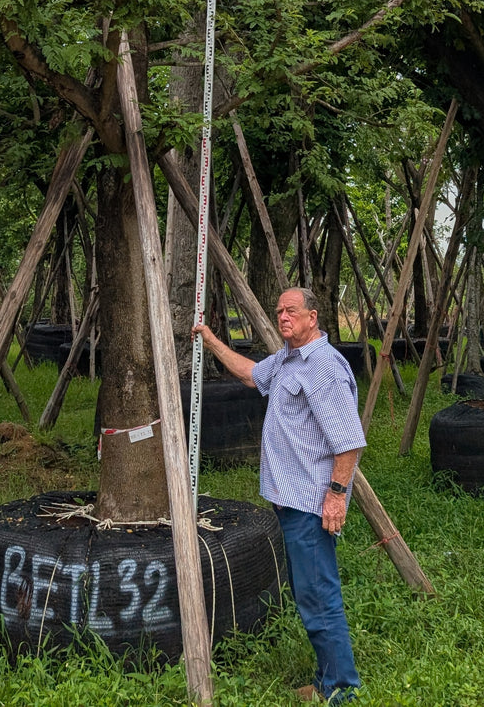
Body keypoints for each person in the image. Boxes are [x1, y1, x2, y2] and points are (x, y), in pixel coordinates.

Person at [193, 286, 364, 703]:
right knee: (311, 589)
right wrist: (212, 340)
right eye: (279, 312)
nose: (283, 317)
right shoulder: (288, 358)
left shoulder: (323, 366)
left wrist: (337, 495)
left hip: (310, 502)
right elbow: (252, 374)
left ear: (313, 317)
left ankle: (340, 687)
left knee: (316, 592)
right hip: (291, 501)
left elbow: (349, 442)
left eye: (292, 311)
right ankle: (329, 678)